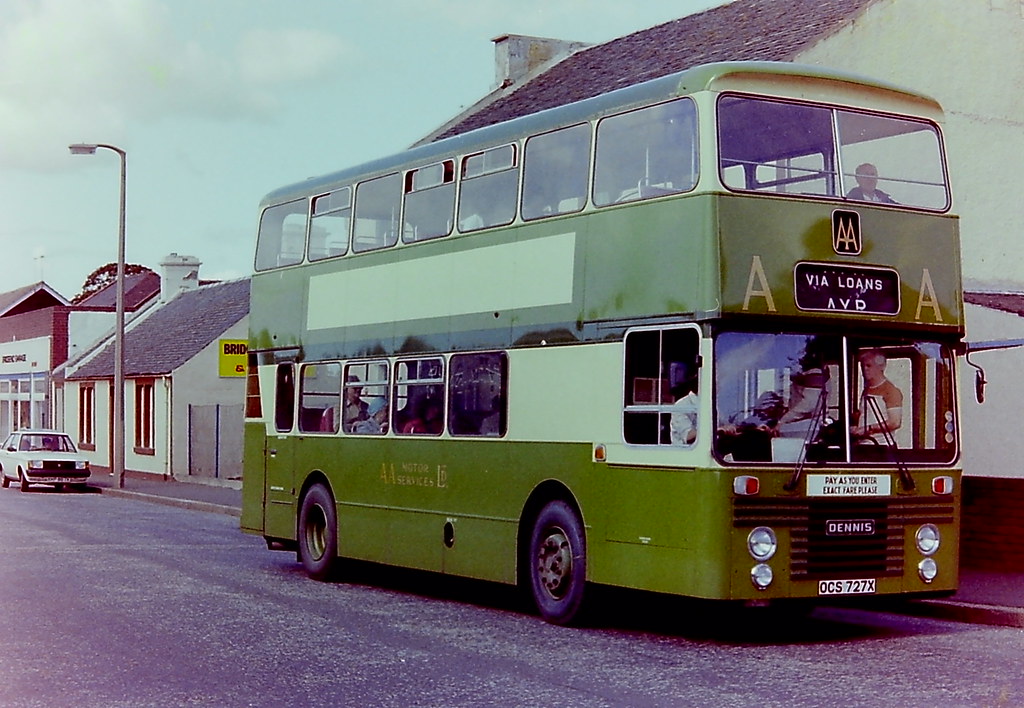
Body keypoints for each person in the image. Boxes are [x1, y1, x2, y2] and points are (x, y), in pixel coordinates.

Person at [851, 350, 903, 439]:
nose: (865, 369)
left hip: (881, 445)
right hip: (864, 443)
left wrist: (869, 428)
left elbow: (894, 422)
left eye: (869, 366)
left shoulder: (890, 391)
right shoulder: (866, 390)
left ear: (881, 366)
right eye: (862, 366)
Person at [775, 368, 828, 438]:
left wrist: (783, 421)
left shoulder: (815, 371)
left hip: (809, 426)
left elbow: (810, 403)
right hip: (799, 424)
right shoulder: (801, 371)